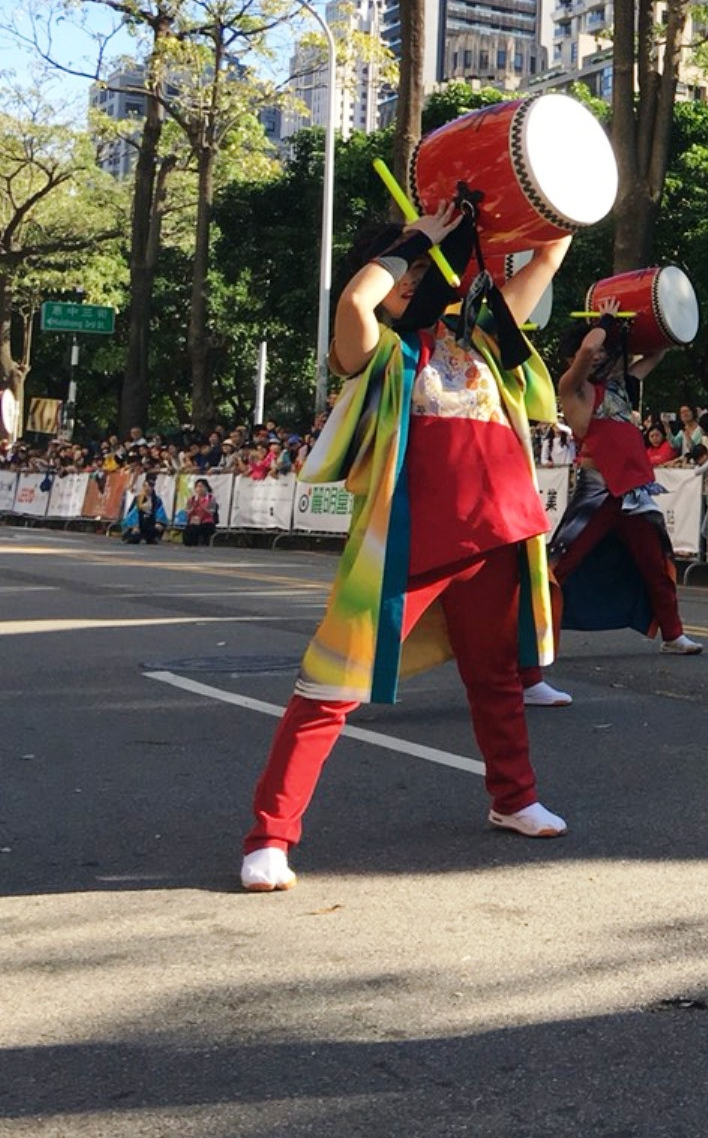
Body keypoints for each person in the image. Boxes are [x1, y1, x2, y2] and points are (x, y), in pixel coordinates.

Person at [239, 204, 572, 894]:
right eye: (406, 269)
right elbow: (358, 297)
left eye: (424, 271)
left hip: (500, 532)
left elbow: (545, 258)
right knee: (329, 686)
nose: (413, 280)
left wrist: (542, 206)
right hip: (404, 542)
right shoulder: (379, 351)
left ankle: (513, 798)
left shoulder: (483, 342)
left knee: (497, 680)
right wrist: (414, 238)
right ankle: (271, 834)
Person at [545, 311, 703, 677]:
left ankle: (673, 633)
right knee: (560, 564)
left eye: (605, 352)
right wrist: (605, 321)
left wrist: (653, 320)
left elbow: (658, 353)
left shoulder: (619, 385)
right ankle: (535, 639)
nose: (600, 355)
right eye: (594, 352)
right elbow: (587, 350)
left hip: (633, 489)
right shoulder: (573, 385)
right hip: (597, 489)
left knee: (657, 562)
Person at [180, 477, 220, 547]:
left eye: (202, 486)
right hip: (194, 520)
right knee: (189, 529)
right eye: (198, 487)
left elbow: (211, 513)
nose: (200, 489)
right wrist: (193, 508)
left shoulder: (211, 499)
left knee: (204, 527)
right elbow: (187, 513)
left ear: (206, 488)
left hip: (206, 521)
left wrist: (203, 507)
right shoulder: (191, 499)